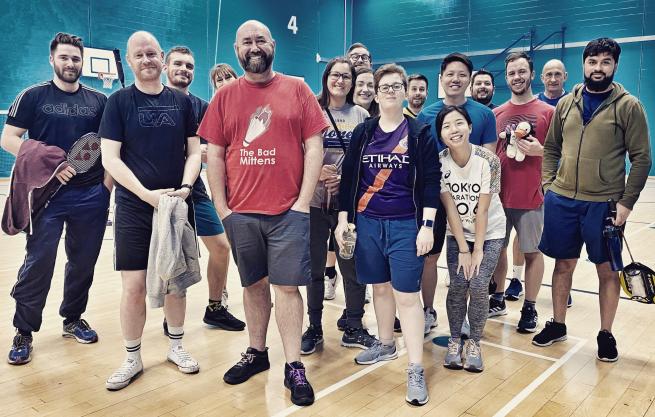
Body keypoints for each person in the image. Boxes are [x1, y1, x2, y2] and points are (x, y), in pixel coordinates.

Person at [198, 20, 327, 406]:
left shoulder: (298, 89)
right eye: (246, 42)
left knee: (287, 288)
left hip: (289, 211)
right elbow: (215, 154)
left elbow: (314, 147)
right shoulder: (225, 97)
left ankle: (293, 365)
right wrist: (223, 208)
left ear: (272, 45)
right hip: (241, 213)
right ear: (237, 50)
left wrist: (303, 202)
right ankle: (257, 352)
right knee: (253, 285)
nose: (253, 47)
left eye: (260, 40)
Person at [534, 38, 651, 362]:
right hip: (563, 200)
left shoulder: (629, 106)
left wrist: (626, 203)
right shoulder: (566, 105)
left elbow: (641, 158)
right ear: (583, 64)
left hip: (604, 204)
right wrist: (548, 185)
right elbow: (552, 147)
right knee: (563, 265)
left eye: (605, 62)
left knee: (606, 271)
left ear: (614, 66)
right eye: (593, 61)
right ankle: (558, 324)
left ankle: (605, 334)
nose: (598, 68)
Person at [100, 31, 202, 390]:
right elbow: (109, 159)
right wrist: (146, 195)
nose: (146, 60)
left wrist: (186, 188)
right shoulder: (118, 102)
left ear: (161, 57)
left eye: (151, 53)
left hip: (174, 206)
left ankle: (176, 346)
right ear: (129, 61)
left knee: (177, 281)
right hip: (134, 208)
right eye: (138, 55)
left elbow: (195, 152)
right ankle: (132, 357)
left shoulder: (182, 102)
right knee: (134, 286)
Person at [1, 32, 110, 365]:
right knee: (38, 263)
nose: (70, 63)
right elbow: (9, 139)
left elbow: (110, 146)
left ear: (83, 63)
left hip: (91, 196)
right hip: (47, 196)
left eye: (76, 58)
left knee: (83, 263)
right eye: (64, 57)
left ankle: (73, 318)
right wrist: (51, 163)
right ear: (52, 59)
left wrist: (106, 188)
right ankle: (24, 330)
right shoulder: (32, 96)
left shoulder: (98, 101)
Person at [336, 63, 440, 406]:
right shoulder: (364, 131)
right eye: (386, 86)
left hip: (405, 224)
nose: (392, 91)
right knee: (378, 286)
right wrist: (343, 219)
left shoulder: (420, 132)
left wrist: (426, 226)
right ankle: (384, 343)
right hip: (367, 223)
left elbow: (430, 182)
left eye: (398, 86)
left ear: (405, 90)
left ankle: (415, 367)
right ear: (376, 92)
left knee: (406, 296)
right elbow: (349, 176)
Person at [164, 47, 244, 331]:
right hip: (161, 192)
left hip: (195, 189)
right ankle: (171, 317)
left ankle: (215, 308)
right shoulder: (153, 102)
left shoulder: (202, 107)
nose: (184, 69)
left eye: (189, 65)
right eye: (178, 64)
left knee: (221, 247)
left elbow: (213, 149)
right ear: (165, 67)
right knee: (172, 254)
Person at [416, 53, 497, 335]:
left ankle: (463, 316)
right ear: (441, 78)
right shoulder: (426, 115)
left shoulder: (485, 115)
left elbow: (490, 159)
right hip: (436, 199)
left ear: (470, 79)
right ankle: (428, 310)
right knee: (430, 256)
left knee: (466, 262)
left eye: (462, 74)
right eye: (450, 74)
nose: (456, 79)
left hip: (473, 201)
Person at [301, 57, 375, 355]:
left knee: (351, 264)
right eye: (335, 75)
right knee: (315, 267)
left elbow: (367, 160)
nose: (340, 80)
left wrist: (343, 179)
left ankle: (354, 325)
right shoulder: (312, 111)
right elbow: (298, 152)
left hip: (348, 204)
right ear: (326, 77)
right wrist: (316, 172)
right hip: (316, 202)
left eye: (346, 76)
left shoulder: (361, 115)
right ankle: (315, 326)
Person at [488, 52, 553, 334]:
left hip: (532, 197)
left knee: (532, 253)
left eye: (522, 71)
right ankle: (498, 297)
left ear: (531, 73)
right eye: (512, 73)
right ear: (507, 77)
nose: (517, 77)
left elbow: (561, 153)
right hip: (500, 198)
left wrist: (543, 151)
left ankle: (529, 306)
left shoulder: (548, 113)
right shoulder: (496, 114)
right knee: (497, 250)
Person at [438, 105, 506, 373]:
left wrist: (477, 249)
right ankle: (455, 340)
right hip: (457, 234)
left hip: (489, 233)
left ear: (469, 127)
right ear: (441, 134)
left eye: (458, 123)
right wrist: (464, 249)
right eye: (446, 126)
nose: (453, 130)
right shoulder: (440, 162)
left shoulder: (488, 160)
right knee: (457, 285)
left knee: (478, 285)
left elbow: (483, 208)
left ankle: (474, 342)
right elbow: (450, 208)